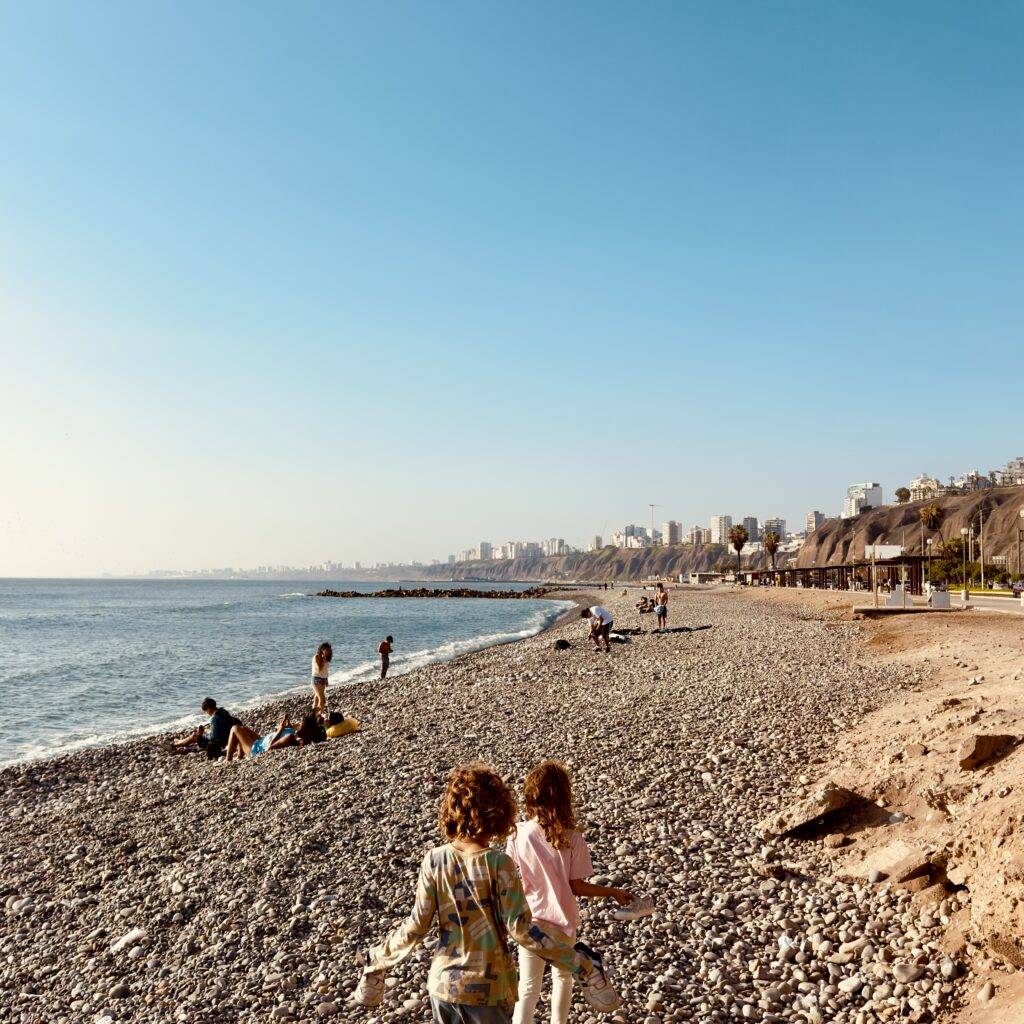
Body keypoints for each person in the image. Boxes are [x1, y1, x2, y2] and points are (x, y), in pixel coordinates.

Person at [351, 763, 620, 1021]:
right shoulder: (498, 864)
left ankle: (374, 963)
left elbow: (416, 926)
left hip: (443, 988)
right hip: (487, 991)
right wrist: (583, 966)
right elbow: (522, 929)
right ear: (499, 813)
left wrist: (379, 960)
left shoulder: (434, 859)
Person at [507, 762, 637, 1024]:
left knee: (528, 988)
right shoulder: (572, 837)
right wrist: (612, 892)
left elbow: (512, 880)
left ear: (531, 795)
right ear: (564, 796)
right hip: (563, 921)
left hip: (530, 921)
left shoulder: (518, 834)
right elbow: (576, 886)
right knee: (563, 978)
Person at [224, 712, 325, 761]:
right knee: (244, 729)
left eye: (300, 724)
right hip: (261, 741)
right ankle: (239, 756)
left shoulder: (291, 737)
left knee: (235, 728)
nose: (298, 724)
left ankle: (228, 761)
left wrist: (280, 729)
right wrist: (288, 725)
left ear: (303, 728)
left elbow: (270, 748)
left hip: (256, 749)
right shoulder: (298, 734)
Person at [166, 698, 240, 759]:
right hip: (228, 737)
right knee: (202, 732)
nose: (206, 713)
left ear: (208, 709)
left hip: (221, 742)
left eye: (205, 711)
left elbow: (214, 738)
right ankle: (179, 742)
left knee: (195, 735)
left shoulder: (215, 718)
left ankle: (175, 745)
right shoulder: (223, 712)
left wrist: (203, 734)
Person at [311, 642, 332, 715]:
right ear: (322, 649)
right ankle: (320, 715)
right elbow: (319, 669)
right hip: (316, 679)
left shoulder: (325, 658)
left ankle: (313, 715)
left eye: (329, 650)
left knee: (317, 698)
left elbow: (325, 670)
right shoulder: (316, 657)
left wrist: (326, 680)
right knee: (322, 699)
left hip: (323, 679)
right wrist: (323, 659)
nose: (328, 652)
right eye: (327, 650)